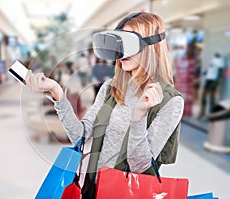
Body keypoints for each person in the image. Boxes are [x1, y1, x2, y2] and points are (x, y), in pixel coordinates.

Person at [25, 12, 184, 198]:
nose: (121, 52)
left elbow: (140, 166)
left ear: (153, 47)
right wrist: (57, 94)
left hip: (127, 193)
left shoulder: (171, 101)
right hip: (93, 187)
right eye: (119, 43)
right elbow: (80, 135)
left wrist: (138, 117)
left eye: (129, 43)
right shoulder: (111, 87)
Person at [200, 52, 224, 117]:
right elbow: (210, 69)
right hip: (209, 78)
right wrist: (206, 72)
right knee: (204, 95)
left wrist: (217, 81)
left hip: (213, 79)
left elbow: (220, 71)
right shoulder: (213, 59)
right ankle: (202, 112)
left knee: (211, 96)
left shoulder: (220, 61)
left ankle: (211, 113)